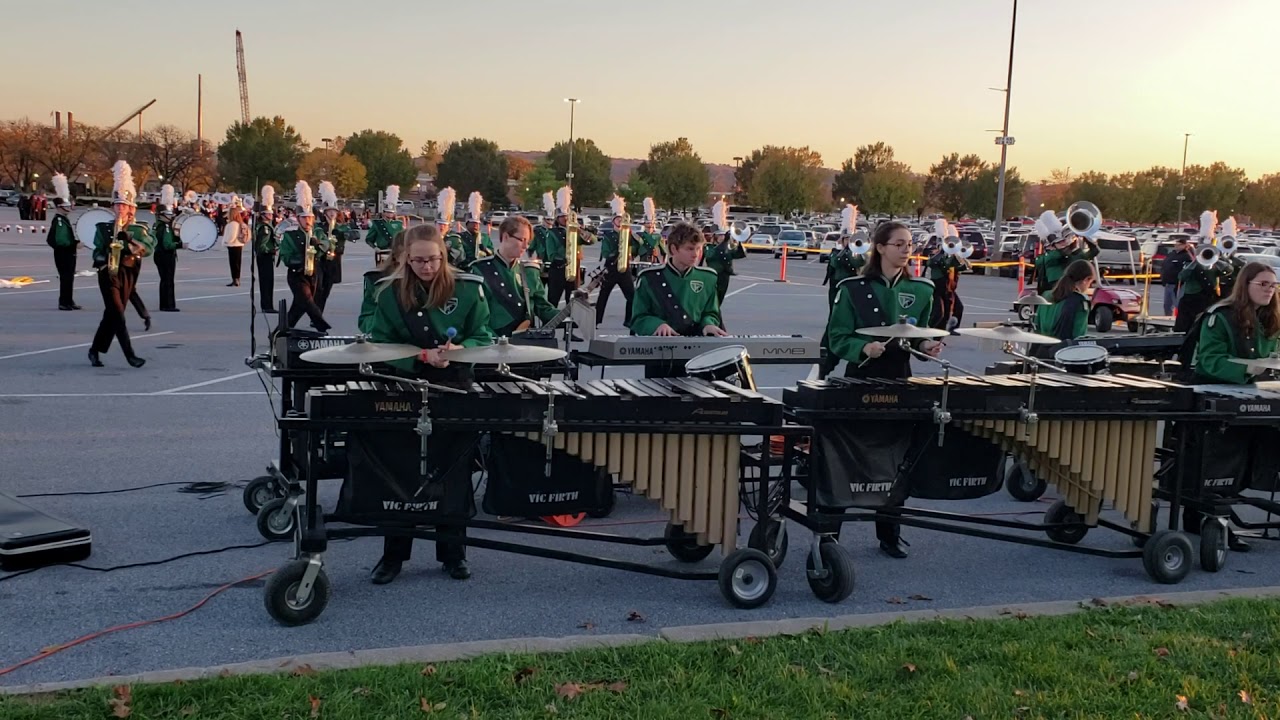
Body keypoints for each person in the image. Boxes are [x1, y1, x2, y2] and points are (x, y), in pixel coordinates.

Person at [364, 224, 493, 584]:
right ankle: (392, 557)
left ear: (444, 255)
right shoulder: (389, 294)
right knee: (400, 471)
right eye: (418, 260)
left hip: (453, 384)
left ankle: (453, 554)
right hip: (406, 385)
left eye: (433, 259)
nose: (426, 267)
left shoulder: (468, 289)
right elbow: (380, 342)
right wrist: (419, 356)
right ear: (405, 257)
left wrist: (459, 350)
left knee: (453, 470)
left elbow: (484, 333)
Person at [826, 220, 940, 559]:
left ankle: (890, 532)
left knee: (897, 460)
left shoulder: (922, 290)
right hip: (860, 379)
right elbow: (837, 337)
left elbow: (920, 336)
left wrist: (928, 347)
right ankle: (831, 533)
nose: (907, 250)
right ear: (880, 247)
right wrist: (862, 349)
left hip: (899, 380)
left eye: (909, 244)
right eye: (899, 244)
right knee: (849, 457)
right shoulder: (852, 288)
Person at [89, 160, 153, 368]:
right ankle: (130, 355)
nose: (119, 208)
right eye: (116, 204)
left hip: (128, 274)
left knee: (111, 316)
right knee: (117, 313)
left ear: (131, 209)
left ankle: (94, 350)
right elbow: (97, 251)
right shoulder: (103, 228)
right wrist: (103, 256)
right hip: (108, 273)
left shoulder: (138, 230)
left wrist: (129, 240)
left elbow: (147, 249)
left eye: (124, 205)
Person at [471, 216, 558, 337]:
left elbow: (543, 308)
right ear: (506, 237)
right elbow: (475, 318)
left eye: (527, 242)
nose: (526, 246)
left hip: (524, 346)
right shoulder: (480, 270)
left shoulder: (529, 272)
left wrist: (573, 311)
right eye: (522, 240)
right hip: (491, 345)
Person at [819, 207, 867, 379]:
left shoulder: (858, 253)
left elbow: (856, 262)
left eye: (849, 238)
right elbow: (835, 263)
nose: (847, 241)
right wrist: (844, 248)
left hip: (852, 291)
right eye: (845, 238)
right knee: (833, 320)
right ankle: (825, 358)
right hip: (836, 289)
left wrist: (851, 248)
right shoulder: (836, 253)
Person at [278, 181, 331, 333]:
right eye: (304, 218)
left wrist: (318, 243)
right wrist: (299, 259)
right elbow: (285, 255)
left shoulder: (318, 232)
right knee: (307, 300)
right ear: (298, 218)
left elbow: (327, 246)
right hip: (297, 274)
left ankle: (279, 333)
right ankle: (321, 326)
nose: (307, 221)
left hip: (313, 274)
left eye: (310, 218)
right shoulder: (290, 235)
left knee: (299, 307)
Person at [358, 222, 413, 334]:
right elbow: (366, 320)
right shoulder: (377, 280)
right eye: (409, 256)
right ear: (397, 256)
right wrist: (385, 327)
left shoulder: (431, 279)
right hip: (388, 343)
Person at [595, 196, 639, 326]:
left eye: (622, 219)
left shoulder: (628, 234)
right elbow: (605, 253)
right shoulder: (609, 236)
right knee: (603, 296)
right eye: (618, 219)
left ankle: (629, 320)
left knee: (631, 296)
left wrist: (632, 236)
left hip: (624, 269)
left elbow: (639, 247)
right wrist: (617, 253)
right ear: (613, 221)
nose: (620, 221)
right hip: (611, 269)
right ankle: (597, 320)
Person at [1033, 210, 1098, 295]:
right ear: (1052, 245)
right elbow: (1059, 255)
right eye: (1060, 241)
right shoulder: (1048, 256)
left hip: (1073, 289)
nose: (1064, 242)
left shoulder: (1074, 256)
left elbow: (1094, 251)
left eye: (1064, 240)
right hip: (1053, 289)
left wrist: (1085, 236)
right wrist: (1060, 244)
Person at [1035, 259, 1095, 341]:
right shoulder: (1080, 301)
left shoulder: (1046, 295)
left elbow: (1036, 326)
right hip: (1063, 350)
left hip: (1040, 348)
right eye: (1090, 282)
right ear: (1086, 280)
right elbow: (1079, 335)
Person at [702, 200, 747, 307]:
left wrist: (739, 242)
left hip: (725, 276)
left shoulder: (727, 247)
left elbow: (739, 255)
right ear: (715, 237)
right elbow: (713, 255)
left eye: (723, 236)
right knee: (713, 301)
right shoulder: (709, 247)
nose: (722, 237)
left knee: (720, 300)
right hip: (713, 276)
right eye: (720, 236)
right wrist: (726, 242)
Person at [45, 174, 81, 311]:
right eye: (66, 205)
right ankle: (64, 302)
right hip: (64, 253)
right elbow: (61, 240)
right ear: (60, 207)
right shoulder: (59, 220)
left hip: (67, 252)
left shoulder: (63, 219)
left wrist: (75, 242)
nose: (69, 207)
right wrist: (74, 244)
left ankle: (69, 301)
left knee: (69, 277)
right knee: (66, 277)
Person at [926, 223, 969, 331]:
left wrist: (960, 256)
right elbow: (931, 263)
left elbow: (964, 267)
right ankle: (931, 330)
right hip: (937, 287)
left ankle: (949, 330)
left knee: (956, 309)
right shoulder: (936, 254)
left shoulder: (953, 257)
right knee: (939, 312)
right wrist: (942, 252)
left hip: (948, 288)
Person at [152, 184, 181, 312]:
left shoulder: (157, 225)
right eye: (168, 214)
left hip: (158, 254)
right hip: (166, 255)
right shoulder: (165, 227)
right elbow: (167, 244)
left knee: (164, 280)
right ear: (162, 215)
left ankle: (164, 304)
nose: (170, 216)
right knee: (168, 280)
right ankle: (168, 305)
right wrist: (180, 244)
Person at [254, 185, 278, 313]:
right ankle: (267, 305)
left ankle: (268, 304)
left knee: (268, 282)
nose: (271, 215)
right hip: (265, 257)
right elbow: (261, 246)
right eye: (269, 214)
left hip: (265, 257)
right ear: (263, 215)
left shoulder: (265, 226)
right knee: (267, 282)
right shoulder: (265, 228)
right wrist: (271, 250)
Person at [366, 185, 404, 266]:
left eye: (391, 212)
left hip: (395, 253)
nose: (389, 214)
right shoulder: (377, 223)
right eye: (387, 212)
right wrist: (375, 247)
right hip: (381, 251)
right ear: (383, 212)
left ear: (394, 213)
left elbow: (403, 239)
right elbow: (369, 239)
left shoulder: (399, 224)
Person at [1159, 236, 1192, 315]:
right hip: (1168, 283)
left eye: (1179, 245)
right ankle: (1167, 320)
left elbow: (1187, 269)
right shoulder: (1171, 254)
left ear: (1184, 245)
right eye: (1175, 244)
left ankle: (1178, 321)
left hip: (1178, 285)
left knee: (1177, 304)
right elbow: (1164, 265)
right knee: (1167, 305)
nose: (1176, 246)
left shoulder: (1186, 256)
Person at [222, 199, 248, 287]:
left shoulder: (232, 224)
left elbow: (231, 236)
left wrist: (226, 242)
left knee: (233, 263)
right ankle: (237, 279)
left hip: (233, 245)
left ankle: (235, 279)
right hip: (239, 244)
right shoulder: (240, 223)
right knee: (237, 263)